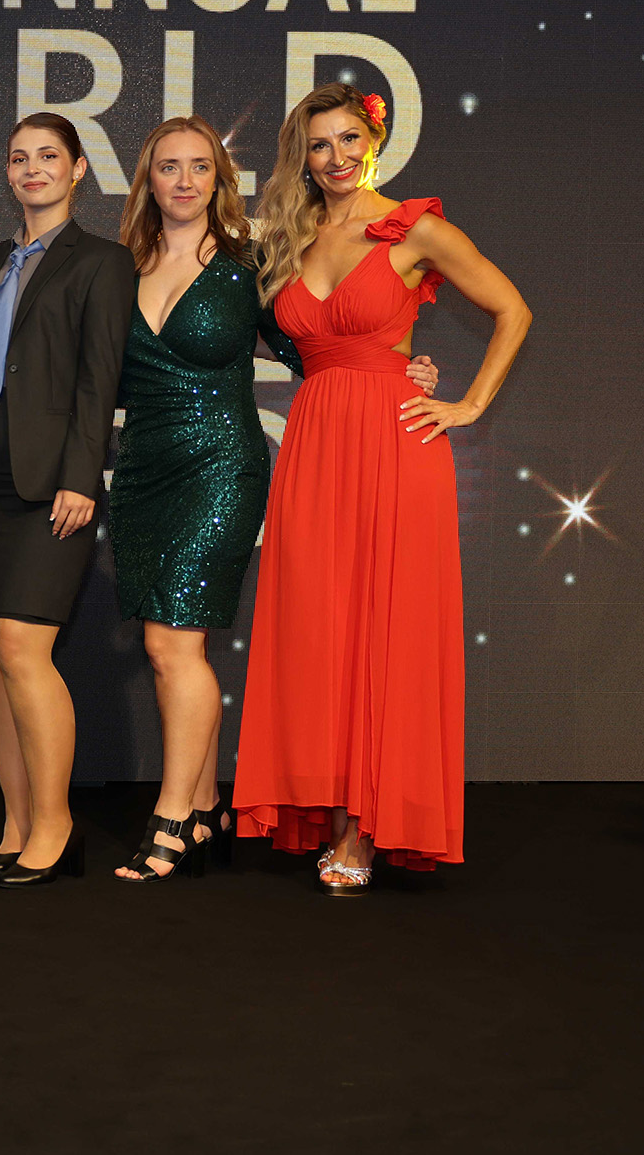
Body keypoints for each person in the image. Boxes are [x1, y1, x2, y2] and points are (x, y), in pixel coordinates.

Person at [107, 116, 438, 883]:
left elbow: (317, 345)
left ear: (222, 180)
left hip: (221, 465)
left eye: (200, 167)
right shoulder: (116, 265)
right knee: (167, 646)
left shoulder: (250, 263)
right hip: (144, 470)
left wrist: (401, 369)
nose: (184, 181)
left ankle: (174, 817)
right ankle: (207, 805)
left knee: (170, 644)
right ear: (147, 179)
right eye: (168, 167)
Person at [235, 84, 532, 895]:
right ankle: (330, 812)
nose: (335, 158)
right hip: (314, 444)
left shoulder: (413, 227)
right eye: (318, 145)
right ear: (303, 153)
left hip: (395, 448)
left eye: (347, 140)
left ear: (374, 139)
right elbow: (290, 339)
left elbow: (512, 307)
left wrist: (466, 402)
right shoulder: (289, 237)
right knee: (320, 630)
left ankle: (365, 829)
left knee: (384, 628)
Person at [0, 114, 132, 888]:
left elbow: (100, 377)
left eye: (48, 156)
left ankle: (57, 823)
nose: (32, 168)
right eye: (20, 158)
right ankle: (18, 817)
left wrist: (81, 475)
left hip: (51, 483)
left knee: (24, 644)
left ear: (79, 168)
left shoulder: (103, 262)